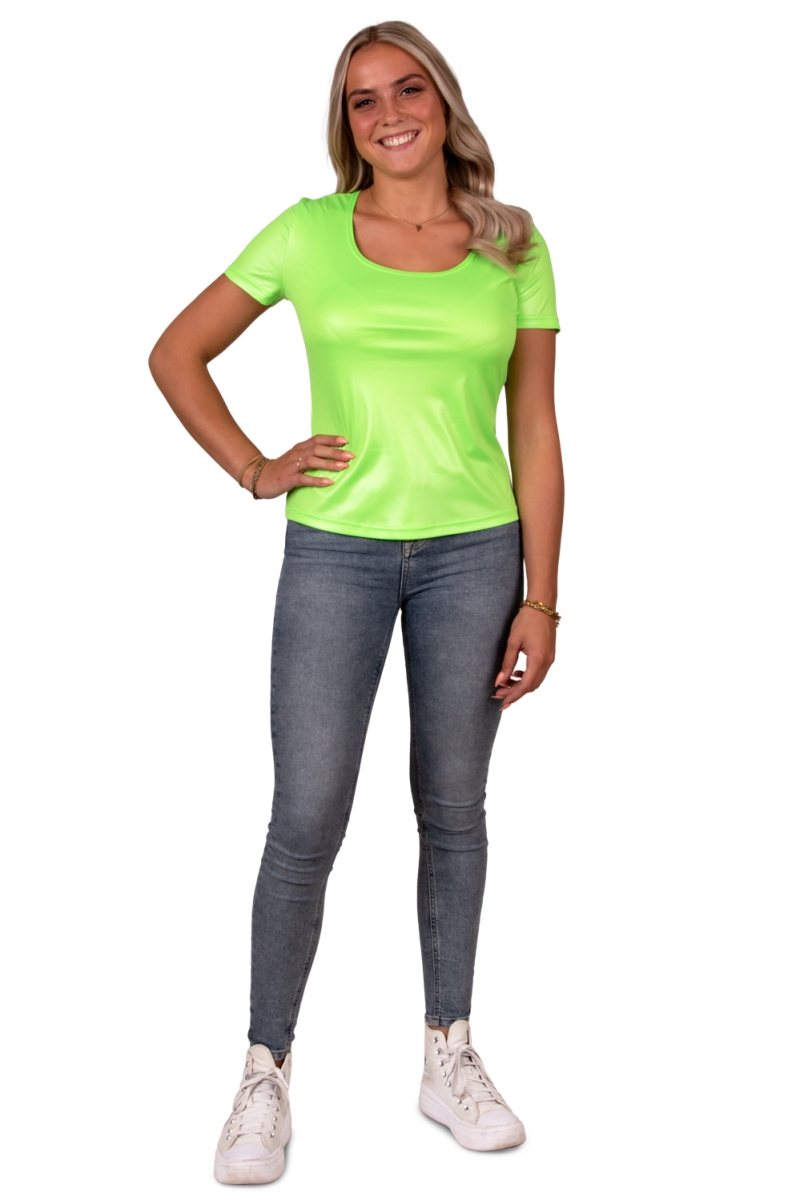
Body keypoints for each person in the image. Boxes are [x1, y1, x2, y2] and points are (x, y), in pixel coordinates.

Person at [149, 20, 563, 1185]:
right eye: (363, 98)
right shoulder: (308, 232)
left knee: (453, 806)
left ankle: (448, 1051)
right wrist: (254, 466)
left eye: (407, 88)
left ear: (442, 100)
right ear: (346, 122)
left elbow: (534, 426)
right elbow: (176, 353)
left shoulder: (512, 242)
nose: (388, 113)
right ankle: (263, 1071)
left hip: (474, 554)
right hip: (334, 551)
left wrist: (542, 597)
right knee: (306, 814)